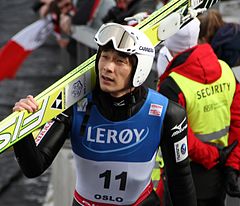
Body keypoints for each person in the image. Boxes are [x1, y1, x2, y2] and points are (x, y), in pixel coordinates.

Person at [12, 22, 197, 206]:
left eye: (119, 61)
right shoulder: (74, 106)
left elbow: (179, 178)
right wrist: (22, 128)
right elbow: (34, 167)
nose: (108, 67)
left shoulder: (167, 112)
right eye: (105, 57)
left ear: (139, 69)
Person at [157, 17, 240, 206]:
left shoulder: (172, 84)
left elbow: (179, 136)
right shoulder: (225, 69)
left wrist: (215, 156)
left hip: (186, 177)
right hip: (219, 177)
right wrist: (231, 166)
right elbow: (238, 123)